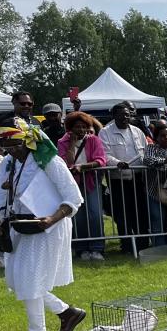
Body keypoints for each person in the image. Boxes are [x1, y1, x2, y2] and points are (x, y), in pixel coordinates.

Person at [0, 117, 87, 331]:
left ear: (27, 141)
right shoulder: (10, 163)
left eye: (14, 146)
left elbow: (73, 198)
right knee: (18, 278)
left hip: (49, 226)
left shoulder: (49, 161)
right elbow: (2, 194)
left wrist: (52, 218)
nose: (11, 152)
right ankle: (67, 312)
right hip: (21, 224)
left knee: (29, 277)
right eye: (6, 148)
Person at [99, 101, 150, 252]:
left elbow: (145, 151)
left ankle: (143, 244)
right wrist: (117, 163)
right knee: (122, 214)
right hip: (118, 179)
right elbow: (105, 155)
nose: (124, 118)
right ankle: (127, 245)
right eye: (121, 115)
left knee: (140, 212)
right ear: (114, 116)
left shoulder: (137, 131)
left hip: (138, 178)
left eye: (127, 115)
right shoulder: (105, 132)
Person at [56, 111, 107, 260]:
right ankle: (81, 248)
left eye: (84, 127)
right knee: (78, 216)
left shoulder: (94, 140)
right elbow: (68, 162)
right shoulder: (62, 142)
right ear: (70, 128)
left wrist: (83, 167)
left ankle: (97, 248)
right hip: (72, 183)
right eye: (77, 127)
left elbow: (101, 160)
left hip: (91, 181)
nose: (81, 130)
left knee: (95, 214)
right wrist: (72, 142)